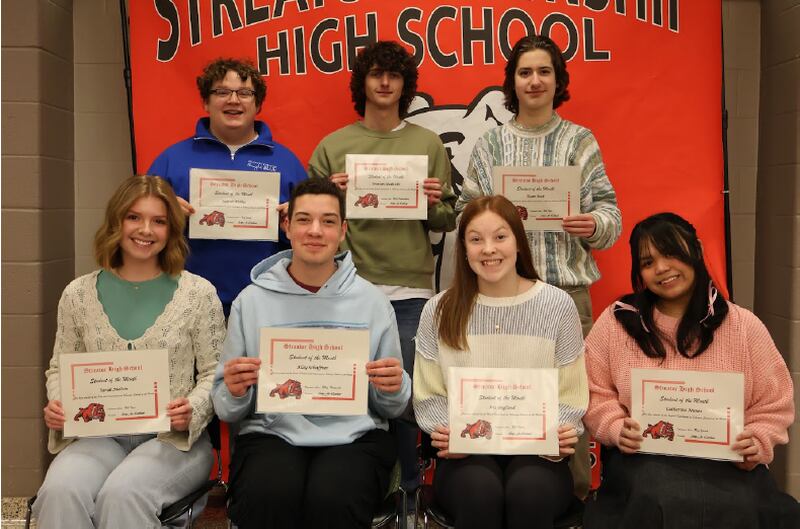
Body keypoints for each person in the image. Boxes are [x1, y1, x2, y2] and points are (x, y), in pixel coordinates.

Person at [456, 34, 622, 496]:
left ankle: (570, 500)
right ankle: (500, 493)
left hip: (566, 295)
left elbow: (612, 215)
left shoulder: (579, 141)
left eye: (543, 71)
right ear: (512, 81)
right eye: (524, 72)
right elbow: (464, 211)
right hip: (496, 296)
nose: (534, 81)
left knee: (570, 402)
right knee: (499, 393)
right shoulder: (491, 144)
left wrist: (590, 223)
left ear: (557, 80)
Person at [211, 178, 411, 528]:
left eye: (328, 221)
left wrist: (393, 387)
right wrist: (235, 389)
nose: (315, 231)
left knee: (332, 497)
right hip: (271, 433)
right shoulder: (251, 301)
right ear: (287, 226)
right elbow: (227, 410)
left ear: (343, 230)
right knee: (269, 494)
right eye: (304, 219)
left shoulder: (372, 302)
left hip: (355, 436)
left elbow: (390, 408)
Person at [583, 212, 798, 528]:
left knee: (742, 506)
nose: (661, 269)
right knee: (665, 497)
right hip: (645, 460)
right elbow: (594, 391)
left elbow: (773, 405)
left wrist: (757, 440)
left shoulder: (743, 326)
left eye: (671, 253)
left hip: (728, 464)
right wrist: (616, 427)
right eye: (647, 262)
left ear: (695, 250)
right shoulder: (616, 323)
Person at [33, 176, 225, 528]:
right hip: (99, 437)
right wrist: (61, 405)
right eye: (134, 217)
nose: (146, 230)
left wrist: (192, 409)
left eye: (159, 221)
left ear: (171, 229)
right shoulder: (78, 295)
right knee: (60, 491)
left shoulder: (198, 294)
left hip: (172, 440)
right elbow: (60, 368)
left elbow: (216, 374)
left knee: (123, 495)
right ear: (116, 221)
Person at [308, 40, 457, 493]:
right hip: (346, 286)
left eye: (394, 75)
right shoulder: (334, 146)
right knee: (348, 388)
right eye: (376, 74)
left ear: (405, 85)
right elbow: (305, 222)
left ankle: (409, 489)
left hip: (410, 289)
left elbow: (446, 219)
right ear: (363, 83)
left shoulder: (426, 143)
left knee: (406, 395)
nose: (386, 82)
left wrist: (434, 201)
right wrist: (329, 196)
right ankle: (360, 486)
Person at [413, 195, 588, 529]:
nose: (489, 249)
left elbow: (570, 392)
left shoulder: (557, 305)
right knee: (480, 492)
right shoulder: (438, 310)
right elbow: (429, 392)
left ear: (518, 243)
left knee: (529, 492)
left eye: (500, 237)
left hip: (539, 453)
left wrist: (560, 434)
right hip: (466, 453)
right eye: (476, 239)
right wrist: (446, 433)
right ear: (463, 249)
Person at [148, 57, 307, 315]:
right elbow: (138, 230)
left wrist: (296, 222)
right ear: (205, 102)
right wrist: (162, 217)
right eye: (222, 92)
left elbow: (314, 234)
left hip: (269, 302)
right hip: (184, 303)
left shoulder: (287, 162)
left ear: (257, 104)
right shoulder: (171, 160)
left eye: (244, 93)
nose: (233, 100)